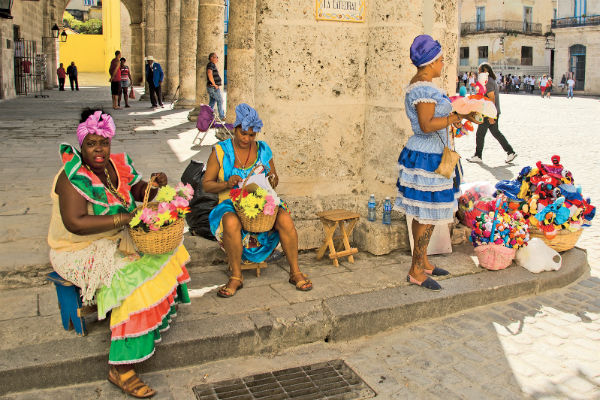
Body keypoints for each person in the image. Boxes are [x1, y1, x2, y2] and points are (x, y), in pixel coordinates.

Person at [48, 108, 191, 398]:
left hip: (115, 238)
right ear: (81, 144)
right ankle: (121, 367)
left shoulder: (114, 164)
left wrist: (153, 185)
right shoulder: (71, 177)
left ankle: (155, 314)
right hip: (77, 249)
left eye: (104, 142)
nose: (99, 149)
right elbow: (76, 223)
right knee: (130, 282)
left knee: (170, 249)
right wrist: (126, 219)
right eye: (91, 143)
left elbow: (134, 189)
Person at [396, 35, 480, 291]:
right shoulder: (424, 88)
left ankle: (422, 261)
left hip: (429, 153)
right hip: (428, 156)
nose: (443, 64)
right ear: (430, 62)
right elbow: (425, 125)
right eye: (441, 60)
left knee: (424, 212)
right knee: (426, 214)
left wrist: (458, 115)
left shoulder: (421, 85)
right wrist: (456, 115)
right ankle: (416, 271)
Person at [202, 103, 313, 297]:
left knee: (285, 219)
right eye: (243, 133)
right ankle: (236, 276)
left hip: (260, 202)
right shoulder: (220, 151)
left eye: (252, 135)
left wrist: (272, 179)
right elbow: (207, 185)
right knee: (230, 221)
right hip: (231, 203)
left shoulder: (263, 149)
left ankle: (295, 272)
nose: (247, 139)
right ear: (235, 128)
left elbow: (274, 177)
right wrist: (227, 184)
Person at [468, 63, 517, 164]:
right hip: (490, 112)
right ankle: (510, 152)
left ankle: (478, 155)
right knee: (495, 133)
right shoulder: (488, 80)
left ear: (485, 70)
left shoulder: (488, 81)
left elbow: (492, 98)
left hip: (489, 113)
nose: (478, 73)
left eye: (479, 70)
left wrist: (492, 115)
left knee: (480, 134)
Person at [206, 53, 225, 120]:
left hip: (213, 87)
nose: (217, 59)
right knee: (220, 100)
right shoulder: (210, 64)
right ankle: (222, 116)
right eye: (216, 57)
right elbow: (209, 74)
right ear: (211, 58)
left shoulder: (212, 65)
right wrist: (214, 84)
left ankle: (208, 117)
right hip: (213, 87)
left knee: (212, 103)